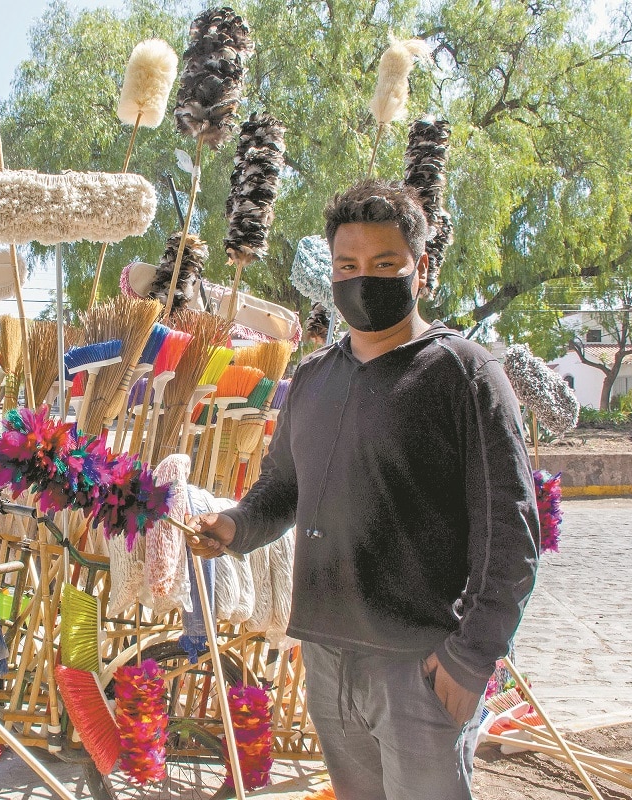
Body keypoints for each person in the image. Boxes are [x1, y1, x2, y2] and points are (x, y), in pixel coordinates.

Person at [189, 179, 539, 800]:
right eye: (347, 266)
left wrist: (472, 655)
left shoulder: (464, 374)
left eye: (384, 264)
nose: (363, 279)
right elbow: (281, 491)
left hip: (419, 664)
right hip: (326, 657)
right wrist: (235, 527)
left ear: (421, 269)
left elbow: (510, 530)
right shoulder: (315, 377)